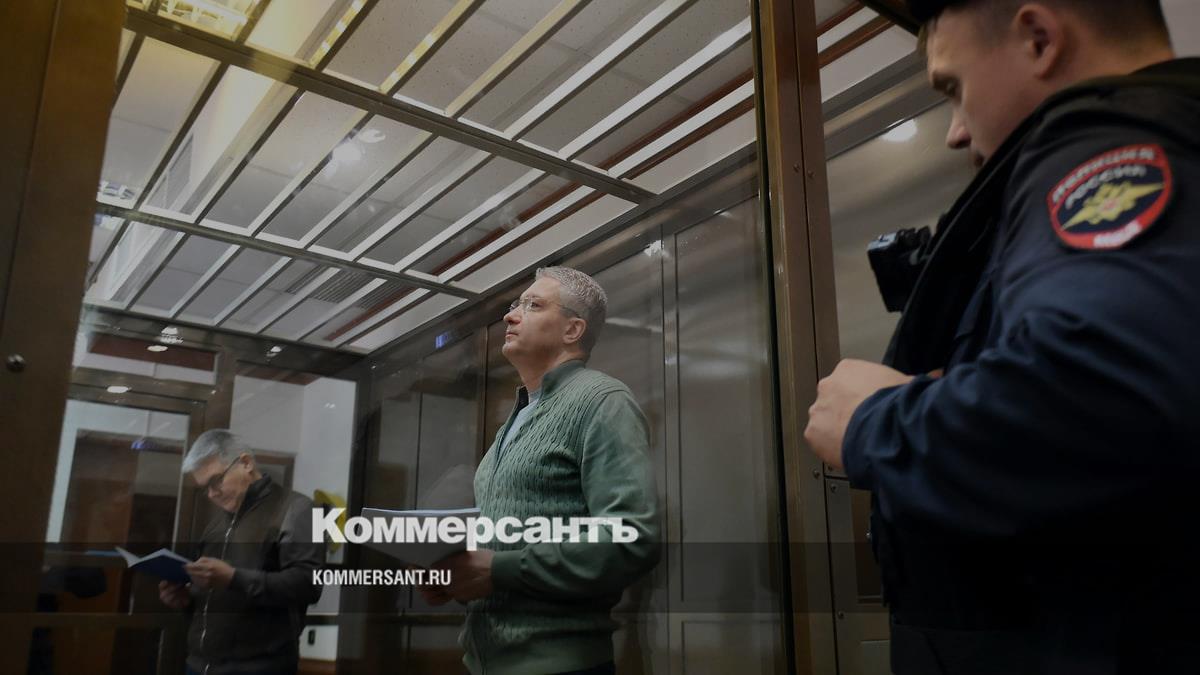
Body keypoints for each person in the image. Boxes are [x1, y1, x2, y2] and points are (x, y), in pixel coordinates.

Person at [804, 1, 1200, 673]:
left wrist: (874, 422)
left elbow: (1099, 407)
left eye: (953, 88)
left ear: (1039, 38)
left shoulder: (1109, 140)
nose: (956, 132)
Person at [424, 267, 660, 675]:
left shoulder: (603, 400)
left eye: (533, 305)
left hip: (560, 665)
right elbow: (503, 546)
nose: (510, 315)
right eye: (515, 305)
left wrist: (497, 570)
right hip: (484, 663)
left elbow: (631, 539)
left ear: (573, 329)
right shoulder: (514, 422)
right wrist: (456, 577)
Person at [160, 429, 324, 675]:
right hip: (198, 665)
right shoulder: (216, 524)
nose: (212, 494)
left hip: (261, 668)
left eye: (216, 481)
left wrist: (234, 578)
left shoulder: (299, 509)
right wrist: (186, 599)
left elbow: (308, 584)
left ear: (246, 463)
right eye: (205, 488)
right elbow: (214, 597)